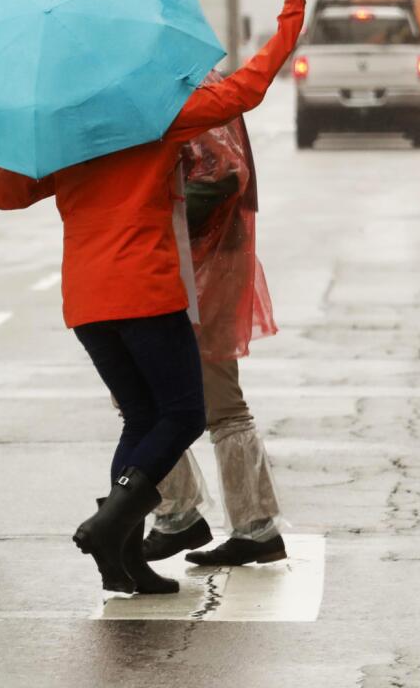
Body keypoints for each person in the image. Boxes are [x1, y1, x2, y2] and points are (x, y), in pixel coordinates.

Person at [0, 0, 306, 595]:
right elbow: (243, 91)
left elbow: (5, 196)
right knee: (183, 412)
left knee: (139, 418)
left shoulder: (63, 129)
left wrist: (21, 133)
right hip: (145, 290)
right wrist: (290, 17)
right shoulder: (150, 116)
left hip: (86, 301)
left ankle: (123, 560)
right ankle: (111, 524)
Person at [143, 109, 287, 566]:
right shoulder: (177, 89)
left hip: (203, 266)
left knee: (219, 401)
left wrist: (158, 208)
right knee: (141, 396)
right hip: (183, 265)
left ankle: (251, 526)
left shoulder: (196, 95)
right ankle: (180, 513)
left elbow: (225, 173)